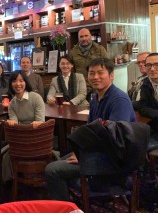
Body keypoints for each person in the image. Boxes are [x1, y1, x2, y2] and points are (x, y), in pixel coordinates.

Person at [45, 57, 135, 201]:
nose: (95, 77)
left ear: (111, 75)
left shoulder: (119, 100)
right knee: (58, 161)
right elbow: (89, 131)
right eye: (91, 73)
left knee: (52, 170)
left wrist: (84, 155)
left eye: (100, 73)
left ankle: (67, 208)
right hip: (98, 153)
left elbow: (115, 139)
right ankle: (75, 201)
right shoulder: (95, 99)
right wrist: (80, 151)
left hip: (113, 159)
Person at [69, 28, 109, 95]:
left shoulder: (99, 49)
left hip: (97, 86)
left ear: (90, 36)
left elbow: (108, 67)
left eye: (86, 36)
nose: (84, 39)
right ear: (78, 38)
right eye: (81, 37)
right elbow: (71, 72)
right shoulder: (73, 52)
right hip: (80, 88)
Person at [137, 53, 158, 132]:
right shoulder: (145, 83)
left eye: (156, 65)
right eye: (149, 65)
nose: (152, 69)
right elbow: (142, 107)